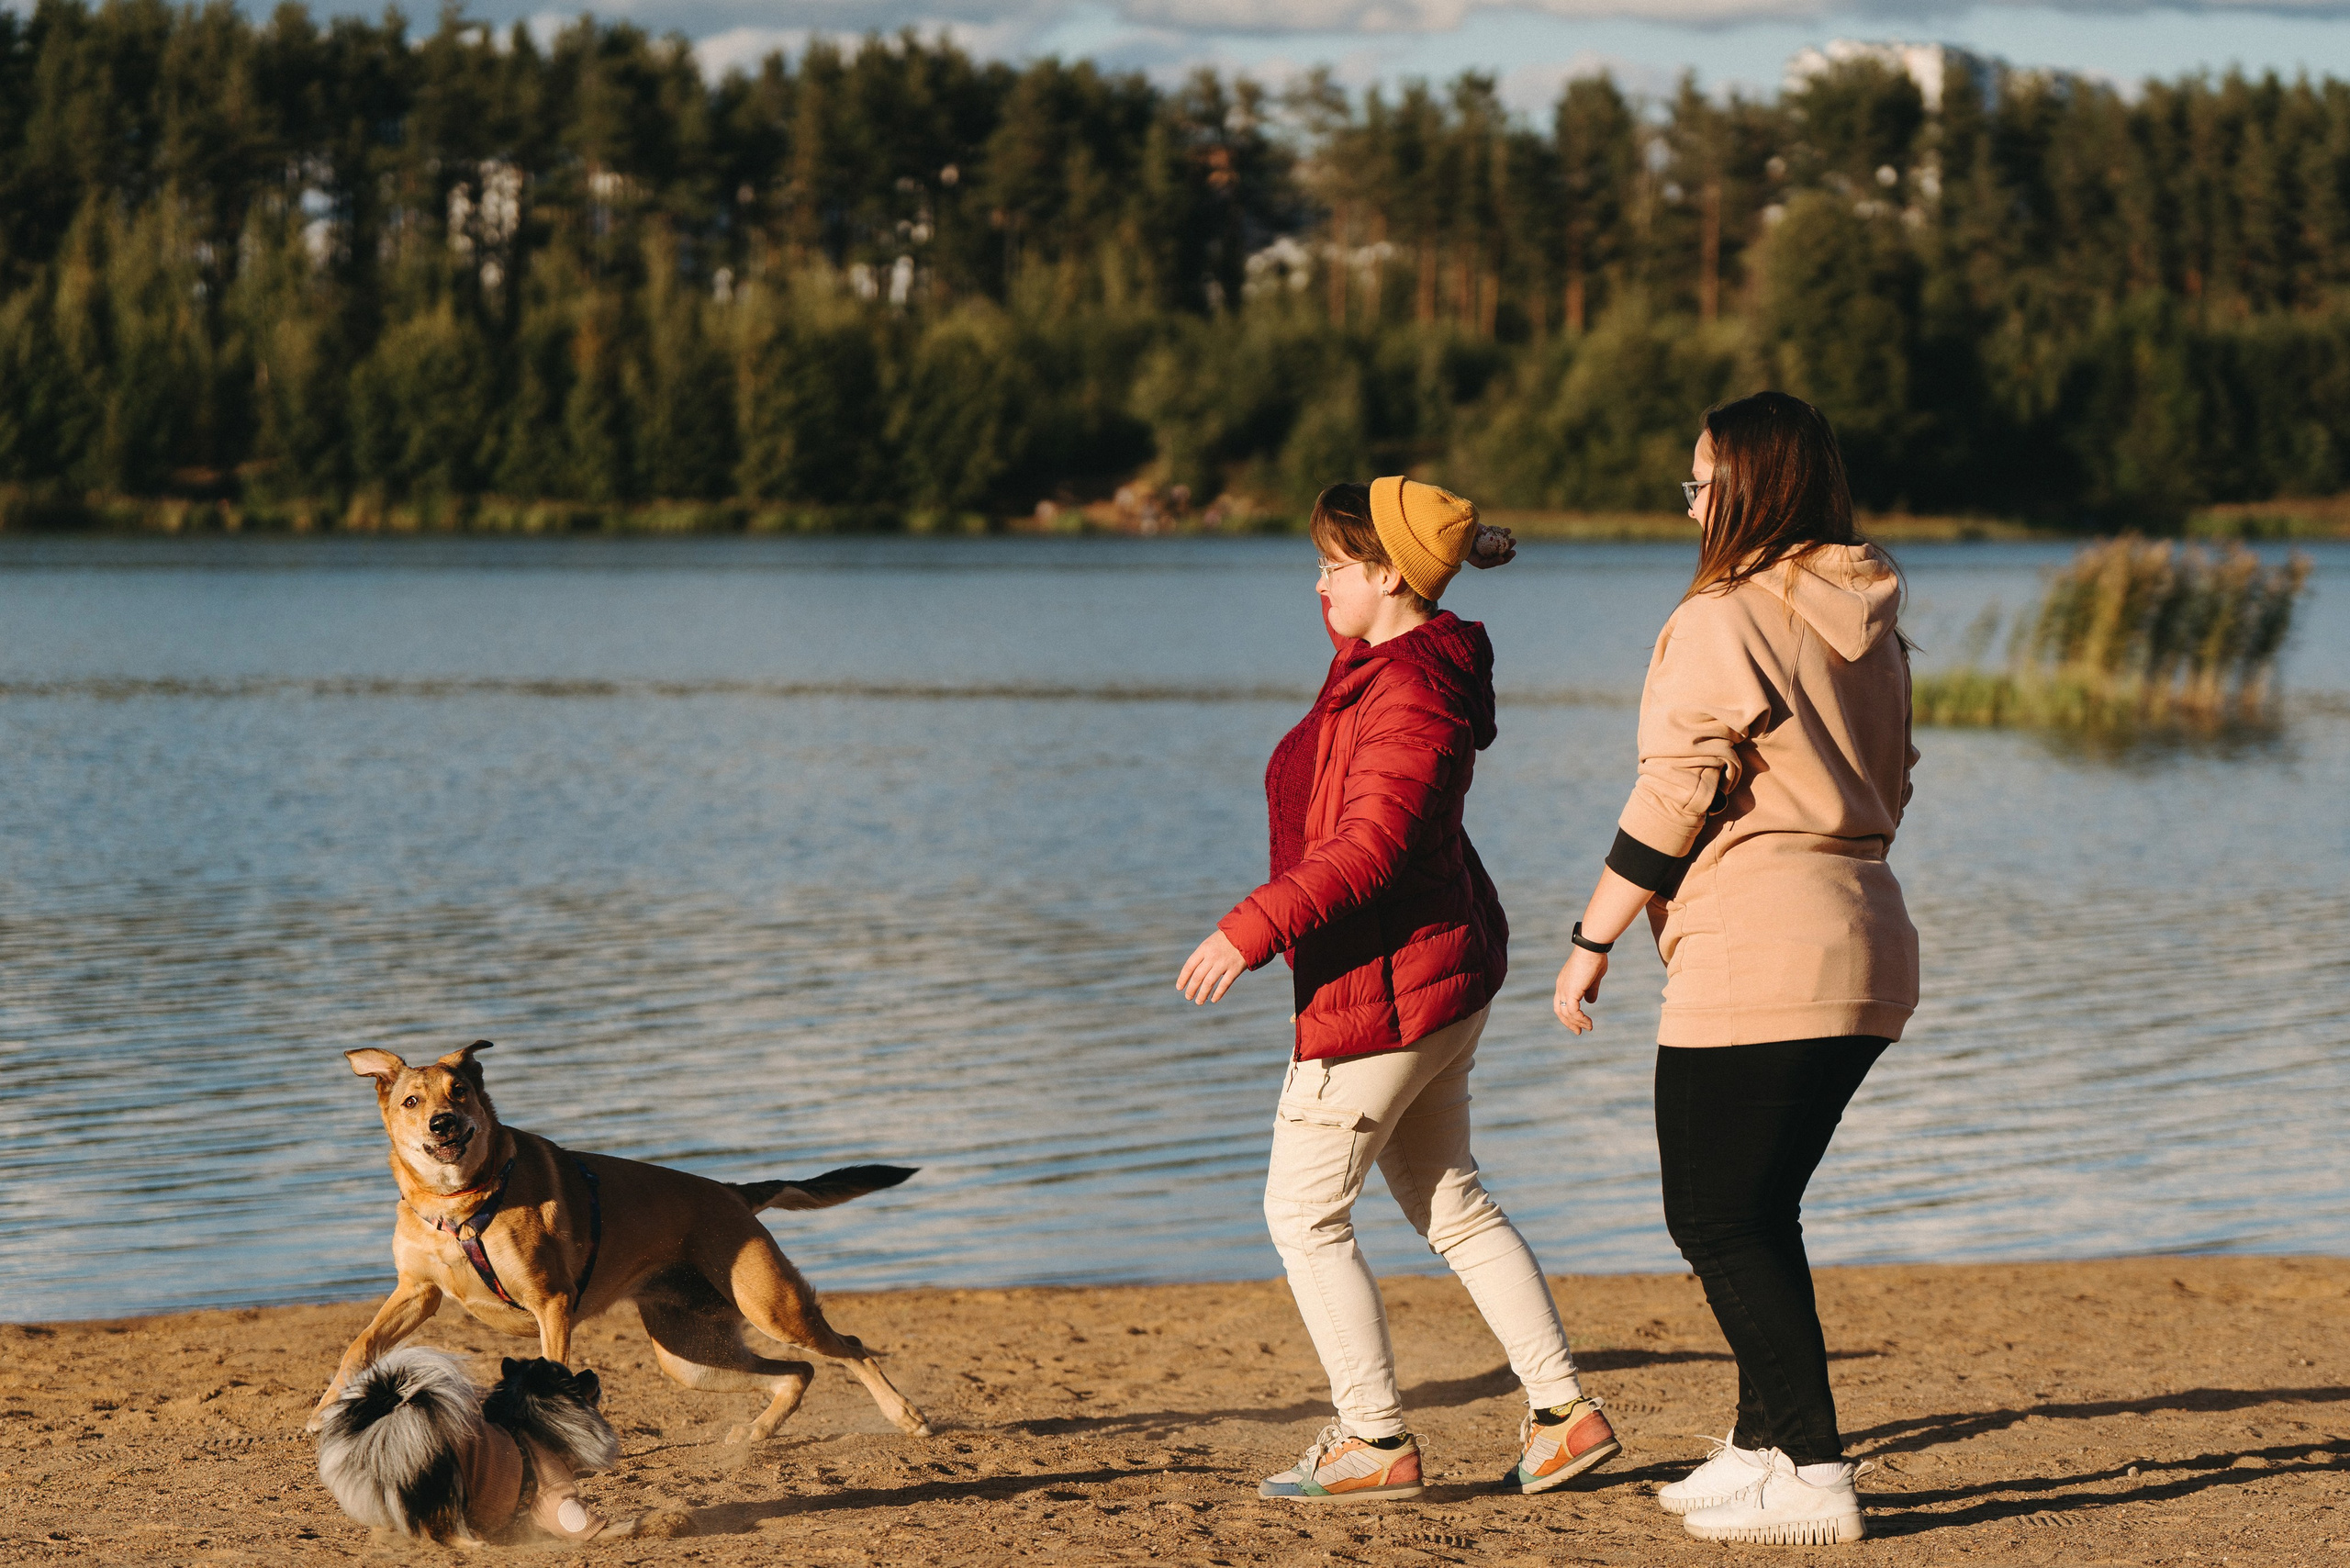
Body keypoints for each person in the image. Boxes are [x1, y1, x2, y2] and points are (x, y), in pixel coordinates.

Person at [1178, 476, 1619, 1504]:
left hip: (1387, 989)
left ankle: (1373, 1438)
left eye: (1334, 565)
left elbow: (1369, 846)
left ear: (1388, 573)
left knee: (1301, 1212)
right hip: (1425, 977)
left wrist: (1251, 927)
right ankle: (1565, 1415)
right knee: (1449, 1200)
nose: (1317, 582)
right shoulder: (1383, 668)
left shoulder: (1409, 691)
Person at [1552, 391, 1918, 1547]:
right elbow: (1897, 777)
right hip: (1866, 930)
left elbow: (1677, 790)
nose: (1691, 501)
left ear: (1748, 489)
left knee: (1711, 1214)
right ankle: (1761, 1447)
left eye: (1700, 480)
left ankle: (1812, 1468)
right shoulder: (1870, 617)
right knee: (1760, 1206)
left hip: (1760, 943)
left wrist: (1592, 935)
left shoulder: (1722, 616)